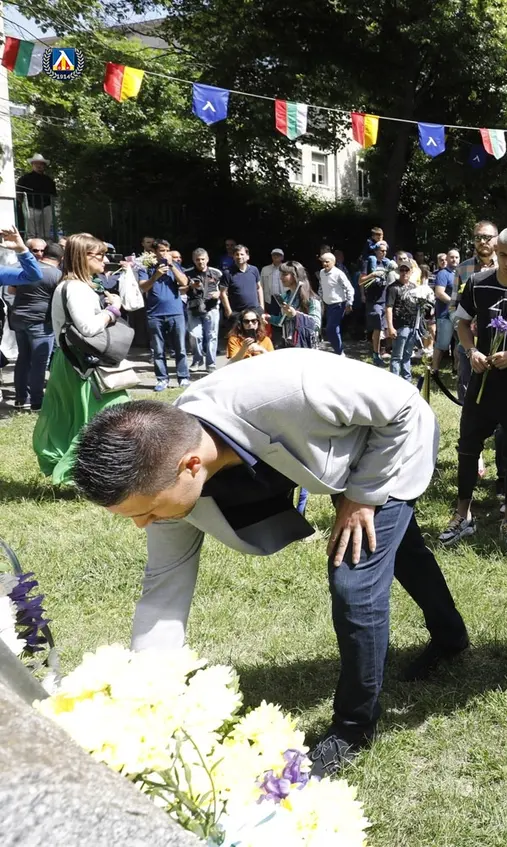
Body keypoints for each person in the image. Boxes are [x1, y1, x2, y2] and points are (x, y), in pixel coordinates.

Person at [69, 349, 468, 777]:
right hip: (340, 454)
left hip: (391, 444)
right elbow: (163, 592)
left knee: (355, 581)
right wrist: (147, 700)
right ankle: (451, 638)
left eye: (145, 511)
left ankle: (354, 728)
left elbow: (402, 406)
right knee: (402, 550)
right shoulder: (166, 466)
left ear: (190, 466)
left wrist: (363, 495)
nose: (142, 525)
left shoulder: (293, 389)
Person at [439, 227, 507, 552]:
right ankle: (463, 515)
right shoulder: (478, 283)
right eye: (503, 256)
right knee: (468, 447)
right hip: (482, 383)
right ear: (495, 252)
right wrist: (471, 350)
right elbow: (462, 322)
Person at [32, 233, 131, 484]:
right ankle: (86, 473)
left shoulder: (78, 286)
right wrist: (113, 311)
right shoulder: (75, 288)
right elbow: (88, 328)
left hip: (74, 362)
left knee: (82, 418)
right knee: (106, 417)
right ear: (83, 256)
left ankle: (88, 472)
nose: (105, 260)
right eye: (100, 255)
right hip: (81, 364)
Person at [2, 230, 53, 409]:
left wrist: (21, 250)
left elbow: (32, 276)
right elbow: (9, 294)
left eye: (42, 251)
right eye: (34, 250)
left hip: (29, 320)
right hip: (29, 321)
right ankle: (30, 399)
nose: (39, 254)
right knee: (33, 360)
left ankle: (25, 398)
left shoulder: (24, 267)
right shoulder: (17, 267)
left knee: (26, 358)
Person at [454, 221, 499, 401]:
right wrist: (464, 327)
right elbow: (453, 306)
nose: (482, 241)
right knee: (467, 392)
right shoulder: (463, 268)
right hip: (468, 344)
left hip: (499, 342)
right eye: (478, 237)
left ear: (497, 239)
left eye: (487, 237)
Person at [140, 239, 190, 392]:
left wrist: (172, 266)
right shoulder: (146, 267)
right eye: (162, 250)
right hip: (155, 314)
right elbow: (143, 287)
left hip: (176, 312)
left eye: (167, 250)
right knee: (158, 350)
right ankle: (162, 379)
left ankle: (183, 377)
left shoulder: (174, 265)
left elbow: (184, 282)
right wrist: (155, 275)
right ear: (155, 252)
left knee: (180, 348)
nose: (165, 253)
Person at [384, 254, 432, 382]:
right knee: (397, 356)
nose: (404, 272)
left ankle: (407, 380)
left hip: (412, 326)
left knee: (407, 355)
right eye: (402, 270)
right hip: (399, 326)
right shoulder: (393, 288)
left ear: (411, 272)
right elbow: (388, 308)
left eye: (407, 270)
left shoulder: (414, 287)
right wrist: (390, 327)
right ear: (398, 271)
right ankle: (394, 380)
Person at [186, 248, 223, 373]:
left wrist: (218, 294)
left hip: (211, 308)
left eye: (203, 259)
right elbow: (180, 289)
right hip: (193, 308)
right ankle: (197, 360)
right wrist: (190, 286)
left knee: (212, 336)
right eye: (198, 259)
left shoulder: (216, 273)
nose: (200, 262)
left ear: (207, 259)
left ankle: (211, 363)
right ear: (193, 260)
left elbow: (225, 289)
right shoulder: (187, 273)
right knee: (195, 335)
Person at [271, 263, 322, 349]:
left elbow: (315, 325)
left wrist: (296, 315)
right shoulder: (285, 297)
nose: (281, 278)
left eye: (285, 274)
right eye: (281, 274)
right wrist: (269, 318)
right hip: (288, 345)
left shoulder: (312, 299)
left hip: (306, 345)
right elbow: (283, 320)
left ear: (296, 276)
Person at [360, 241, 394, 367]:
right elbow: (361, 281)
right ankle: (376, 354)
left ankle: (386, 352)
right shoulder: (369, 262)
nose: (384, 253)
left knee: (385, 327)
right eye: (381, 250)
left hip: (385, 298)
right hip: (373, 300)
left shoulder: (387, 263)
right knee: (377, 327)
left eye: (385, 251)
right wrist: (373, 275)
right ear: (375, 251)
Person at [318, 252, 355, 355]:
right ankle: (338, 351)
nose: (324, 264)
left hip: (338, 304)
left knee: (331, 328)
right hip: (327, 304)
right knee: (332, 329)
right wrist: (320, 299)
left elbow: (349, 288)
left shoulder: (339, 273)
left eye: (327, 262)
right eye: (323, 262)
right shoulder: (321, 272)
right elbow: (321, 287)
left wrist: (349, 303)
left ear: (333, 262)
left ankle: (339, 351)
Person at [431, 249, 459, 373]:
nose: (454, 259)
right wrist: (455, 303)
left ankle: (456, 370)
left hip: (459, 314)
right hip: (445, 314)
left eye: (457, 257)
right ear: (447, 259)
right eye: (452, 257)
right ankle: (434, 370)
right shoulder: (443, 273)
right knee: (442, 345)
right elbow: (439, 293)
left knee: (460, 343)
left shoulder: (459, 274)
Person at [220, 244, 264, 321]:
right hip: (237, 313)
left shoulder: (254, 270)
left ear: (248, 257)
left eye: (242, 254)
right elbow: (223, 293)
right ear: (233, 257)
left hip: (255, 311)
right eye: (237, 254)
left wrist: (262, 307)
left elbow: (259, 288)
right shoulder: (228, 273)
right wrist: (229, 311)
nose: (239, 257)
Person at [17, 154, 56, 239]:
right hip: (31, 206)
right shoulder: (24, 179)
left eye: (41, 164)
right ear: (32, 165)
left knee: (45, 231)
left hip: (46, 207)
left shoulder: (49, 180)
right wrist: (23, 204)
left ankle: (45, 245)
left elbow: (53, 194)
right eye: (36, 163)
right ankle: (33, 245)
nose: (39, 166)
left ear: (44, 166)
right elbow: (19, 193)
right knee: (32, 232)